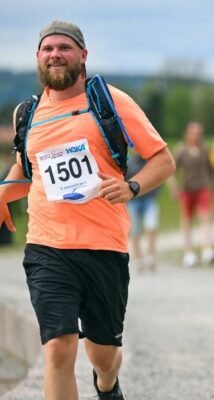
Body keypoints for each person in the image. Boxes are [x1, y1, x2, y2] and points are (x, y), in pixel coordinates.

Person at [0, 21, 175, 400]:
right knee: (59, 347)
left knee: (104, 354)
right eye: (48, 49)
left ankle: (107, 385)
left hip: (104, 245)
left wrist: (132, 187)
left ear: (83, 55)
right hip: (47, 246)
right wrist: (2, 193)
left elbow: (163, 161)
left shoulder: (110, 101)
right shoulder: (27, 114)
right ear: (37, 58)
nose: (55, 55)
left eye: (64, 47)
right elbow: (24, 170)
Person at [169, 121, 214, 268]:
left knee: (206, 219)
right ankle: (188, 252)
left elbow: (212, 170)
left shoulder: (205, 149)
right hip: (187, 190)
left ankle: (207, 249)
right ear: (187, 134)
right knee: (187, 222)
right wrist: (174, 188)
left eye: (198, 133)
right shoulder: (181, 150)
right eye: (194, 133)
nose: (196, 136)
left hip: (203, 188)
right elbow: (170, 171)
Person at [126, 152, 162, 272]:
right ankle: (139, 259)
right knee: (135, 230)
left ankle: (151, 256)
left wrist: (155, 192)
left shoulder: (150, 162)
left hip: (149, 199)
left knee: (152, 227)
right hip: (134, 201)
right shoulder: (129, 164)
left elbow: (158, 177)